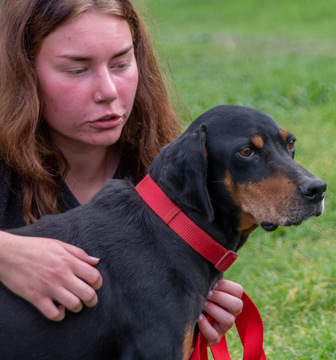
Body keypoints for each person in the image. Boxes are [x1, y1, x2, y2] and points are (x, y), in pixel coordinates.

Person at [0, 0, 243, 348]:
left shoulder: (168, 172)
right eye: (77, 69)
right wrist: (6, 253)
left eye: (121, 63)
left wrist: (191, 306)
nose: (109, 91)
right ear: (23, 71)